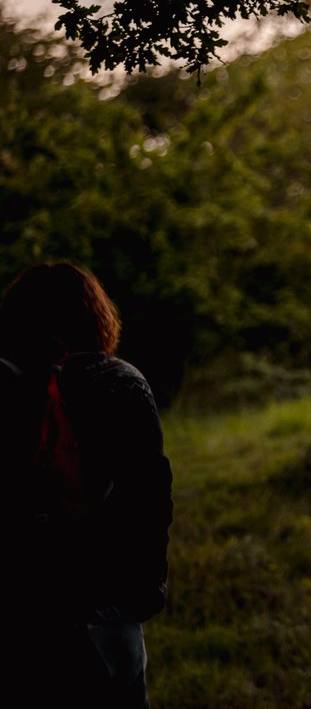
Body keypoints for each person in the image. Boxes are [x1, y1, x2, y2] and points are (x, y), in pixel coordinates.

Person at [1, 262, 173, 708]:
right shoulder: (119, 381)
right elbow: (149, 498)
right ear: (94, 314)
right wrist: (144, 595)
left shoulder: (9, 388)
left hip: (22, 610)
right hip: (105, 607)